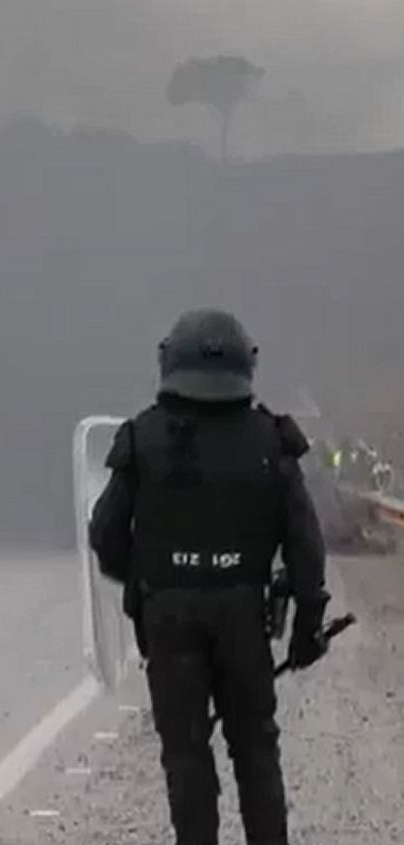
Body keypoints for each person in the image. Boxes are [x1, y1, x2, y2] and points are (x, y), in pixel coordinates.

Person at [89, 309, 328, 845]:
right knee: (256, 750)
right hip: (244, 614)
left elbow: (105, 534)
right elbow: (305, 542)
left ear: (169, 360)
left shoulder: (142, 437)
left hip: (169, 616)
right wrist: (308, 619)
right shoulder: (272, 440)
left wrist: (147, 580)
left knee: (186, 755)